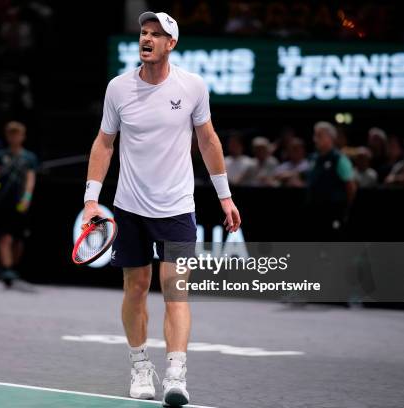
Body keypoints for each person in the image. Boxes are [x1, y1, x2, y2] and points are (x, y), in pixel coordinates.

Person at [81, 12, 241, 406]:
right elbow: (104, 144)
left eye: (157, 34)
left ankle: (175, 375)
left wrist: (224, 196)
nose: (147, 39)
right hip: (130, 208)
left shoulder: (192, 87)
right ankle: (139, 366)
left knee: (176, 293)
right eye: (144, 33)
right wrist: (90, 199)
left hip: (176, 209)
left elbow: (208, 141)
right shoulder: (118, 89)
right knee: (135, 289)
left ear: (172, 44)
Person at [0, 121, 38, 288]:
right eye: (11, 134)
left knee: (19, 240)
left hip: (20, 203)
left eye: (17, 134)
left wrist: (26, 198)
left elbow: (30, 180)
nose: (14, 137)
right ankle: (7, 269)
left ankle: (12, 268)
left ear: (22, 137)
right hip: (3, 203)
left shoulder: (29, 158)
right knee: (5, 237)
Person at [307, 121, 356, 239]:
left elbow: (351, 187)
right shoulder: (313, 158)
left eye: (319, 136)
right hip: (315, 210)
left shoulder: (339, 159)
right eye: (315, 135)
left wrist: (345, 209)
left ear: (330, 138)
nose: (315, 139)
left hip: (334, 211)